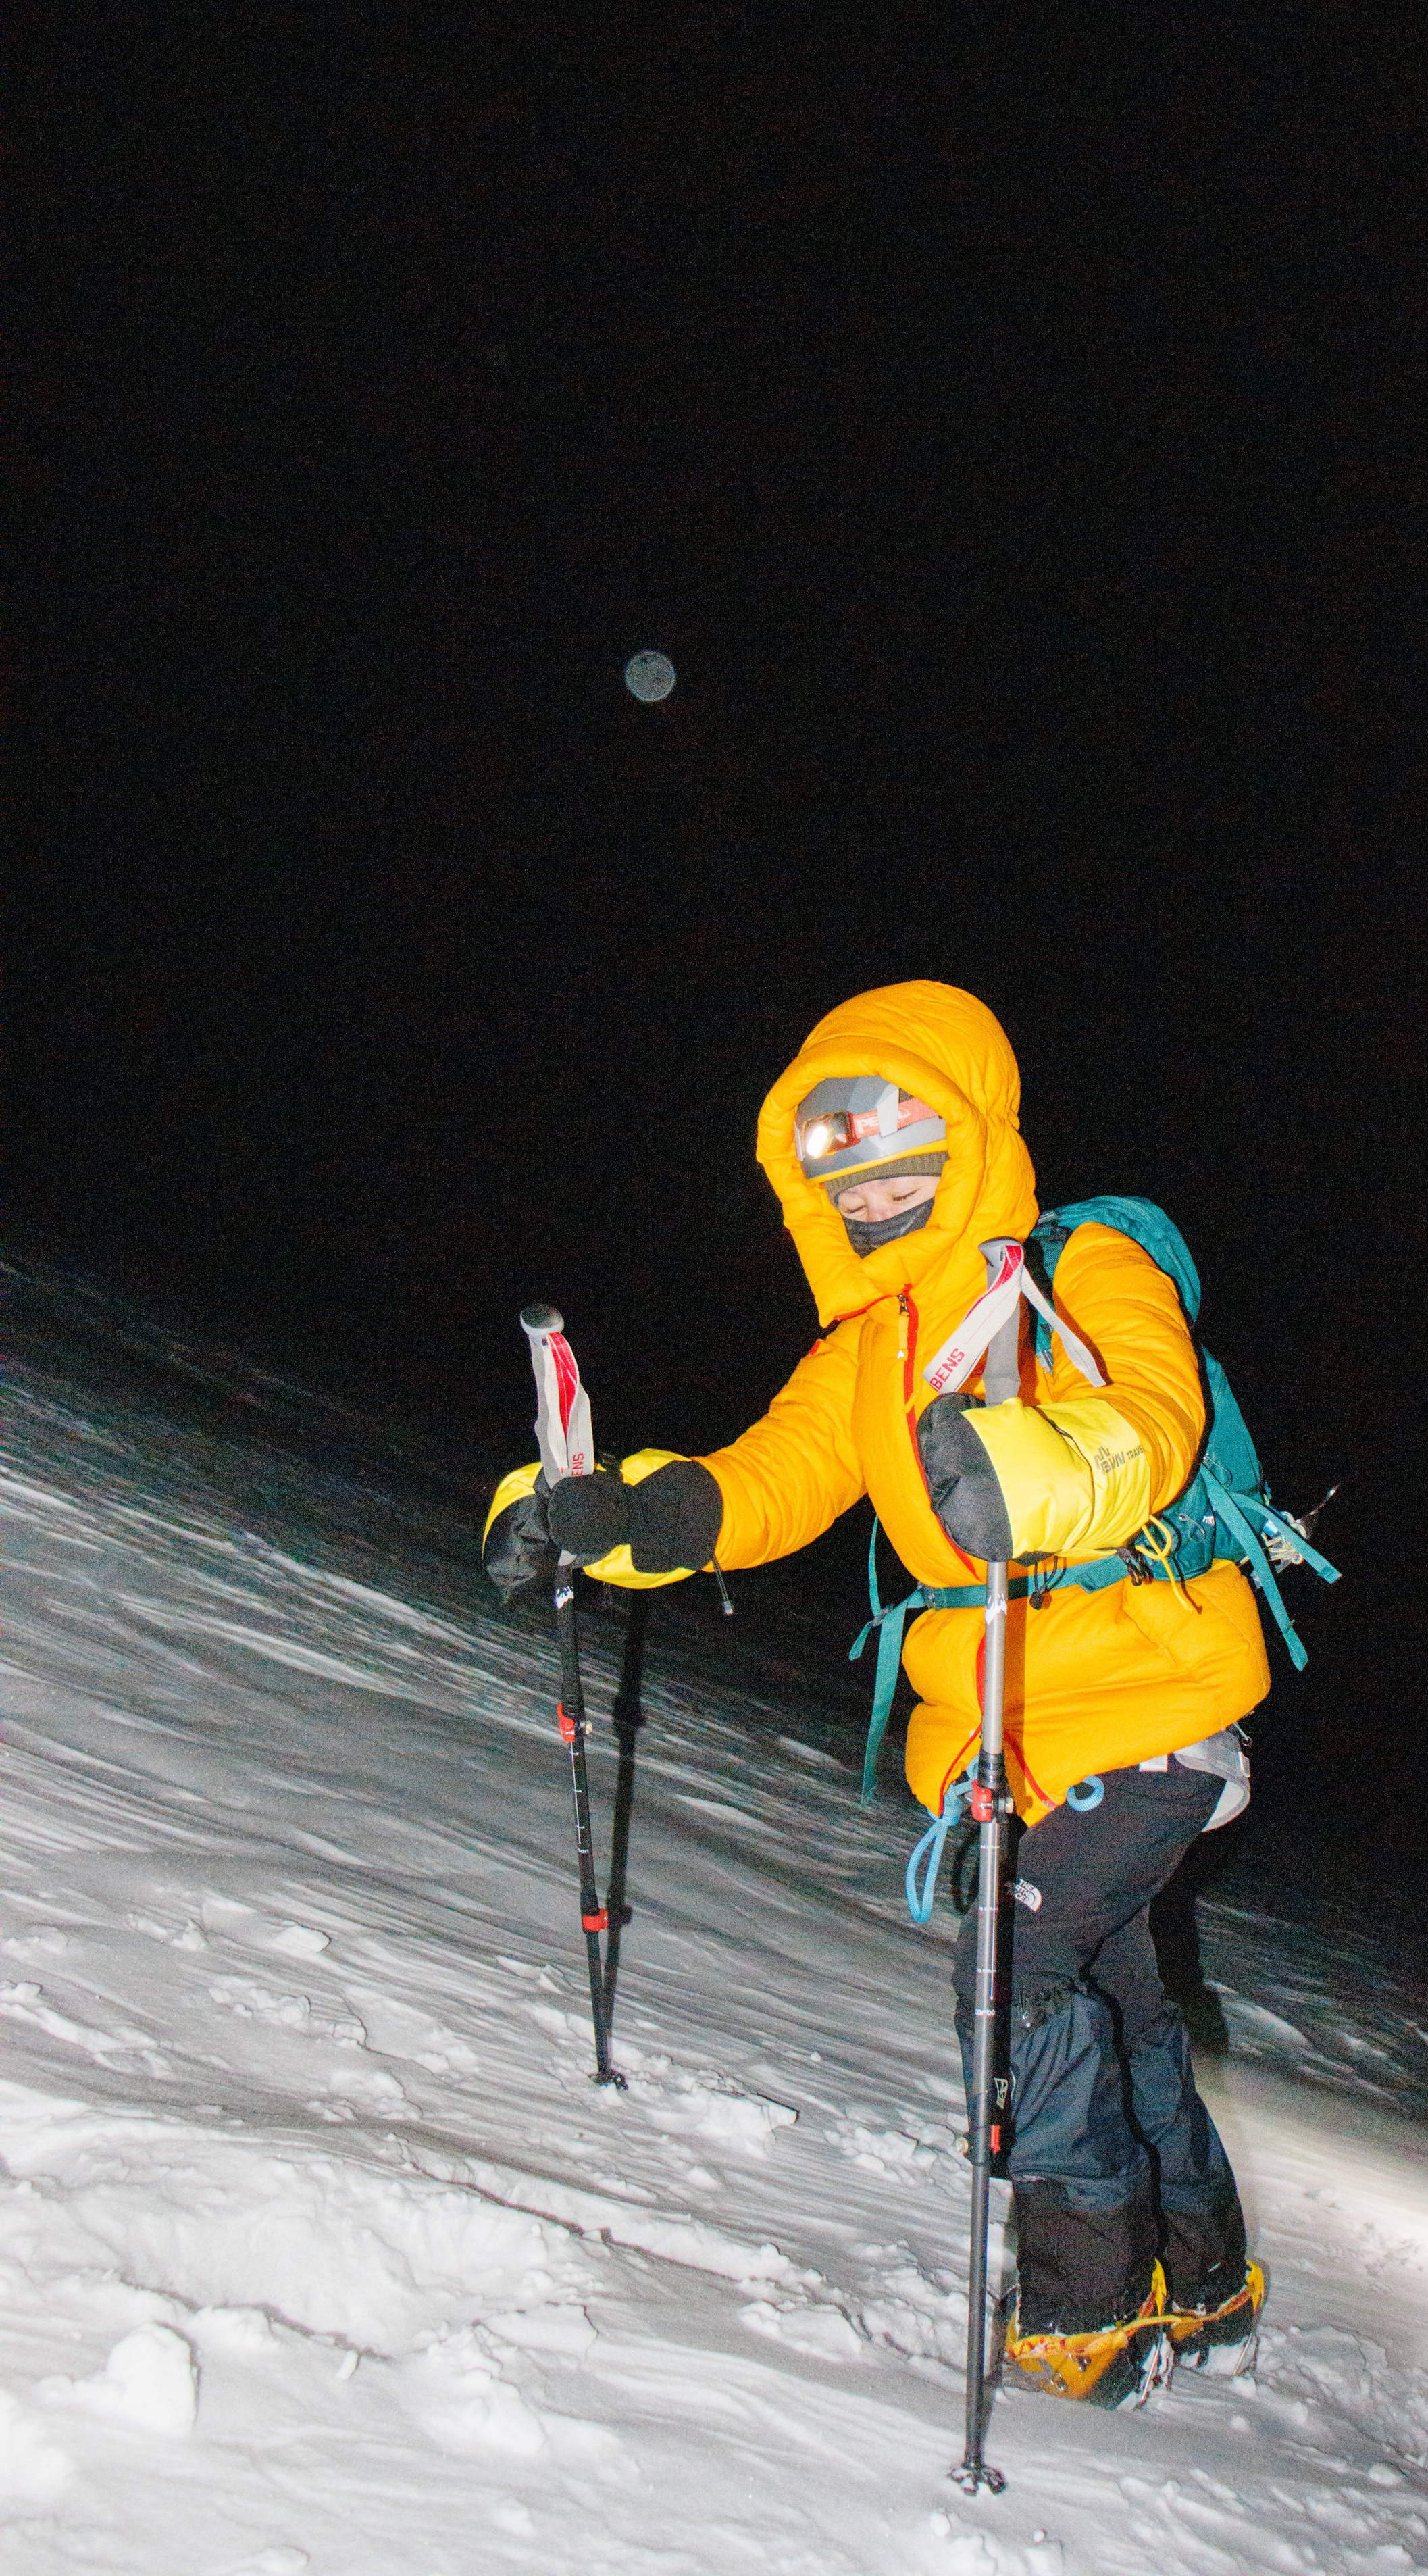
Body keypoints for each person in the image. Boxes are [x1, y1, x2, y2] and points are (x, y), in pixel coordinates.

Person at [485, 980, 1270, 2403]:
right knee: (1111, 1992)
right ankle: (1206, 2275)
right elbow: (768, 1481)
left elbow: (1152, 1415)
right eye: (844, 1184)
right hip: (1005, 1726)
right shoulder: (873, 1348)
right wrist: (617, 1519)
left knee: (1014, 1975)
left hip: (1150, 1697)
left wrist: (1046, 1467)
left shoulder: (1082, 1267)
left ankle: (1089, 2303)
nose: (873, 1202)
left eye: (905, 1169)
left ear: (972, 1144)